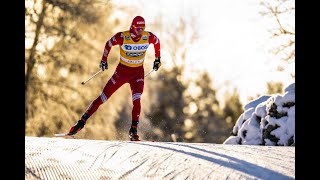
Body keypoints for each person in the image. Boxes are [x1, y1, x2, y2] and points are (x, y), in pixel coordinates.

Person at [67, 16, 161, 141]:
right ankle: (81, 123)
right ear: (132, 27)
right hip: (122, 72)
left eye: (142, 29)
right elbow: (108, 44)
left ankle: (133, 131)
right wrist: (103, 60)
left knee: (137, 100)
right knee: (103, 98)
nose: (140, 32)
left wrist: (157, 59)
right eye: (138, 29)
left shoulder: (147, 36)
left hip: (137, 74)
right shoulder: (123, 37)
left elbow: (157, 42)